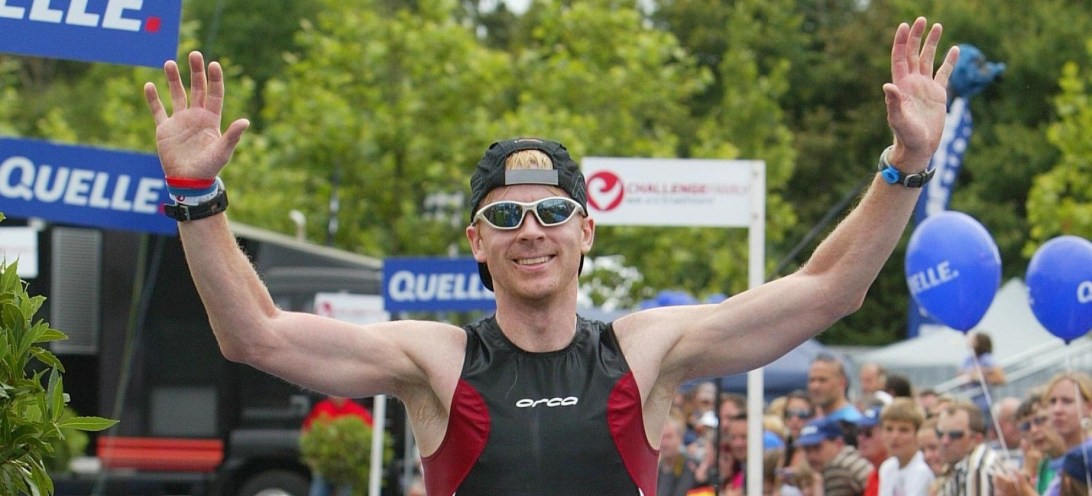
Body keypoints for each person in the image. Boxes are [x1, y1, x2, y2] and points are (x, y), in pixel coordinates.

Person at [142, 16, 958, 495]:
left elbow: (829, 289)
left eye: (552, 211)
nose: (530, 230)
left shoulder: (644, 352)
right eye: (505, 216)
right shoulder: (437, 361)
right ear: (477, 242)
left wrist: (908, 164)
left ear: (585, 231)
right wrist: (196, 195)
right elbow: (255, 336)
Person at [301, 396, 374, 496]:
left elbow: (370, 433)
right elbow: (306, 431)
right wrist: (310, 457)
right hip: (324, 466)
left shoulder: (356, 410)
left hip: (347, 469)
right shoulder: (321, 408)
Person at [935, 400, 1005, 495]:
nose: (944, 441)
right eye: (939, 434)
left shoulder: (978, 468)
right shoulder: (957, 465)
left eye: (955, 435)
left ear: (977, 439)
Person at [798, 417, 873, 496]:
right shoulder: (852, 458)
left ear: (838, 443)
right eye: (807, 449)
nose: (812, 456)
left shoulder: (837, 468)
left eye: (817, 447)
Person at [877, 398, 934, 496]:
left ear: (918, 434)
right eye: (889, 429)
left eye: (903, 430)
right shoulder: (887, 468)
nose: (894, 436)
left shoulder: (923, 470)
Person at [809, 354, 864, 424]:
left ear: (842, 383)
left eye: (823, 380)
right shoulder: (814, 420)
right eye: (812, 380)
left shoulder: (851, 423)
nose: (815, 386)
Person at [661, 415, 702, 496]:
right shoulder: (658, 468)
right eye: (662, 438)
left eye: (669, 437)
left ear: (680, 438)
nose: (664, 442)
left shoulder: (691, 465)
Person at [854, 407, 888, 496]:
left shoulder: (896, 472)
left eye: (868, 433)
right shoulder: (873, 475)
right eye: (859, 432)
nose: (860, 438)